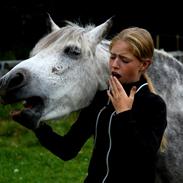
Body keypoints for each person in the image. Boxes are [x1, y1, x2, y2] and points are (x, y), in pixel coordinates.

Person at [12, 27, 167, 183]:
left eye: (124, 60)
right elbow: (67, 149)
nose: (114, 65)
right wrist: (38, 128)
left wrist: (124, 114)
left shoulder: (154, 105)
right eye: (112, 57)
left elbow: (144, 156)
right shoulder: (100, 99)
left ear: (144, 65)